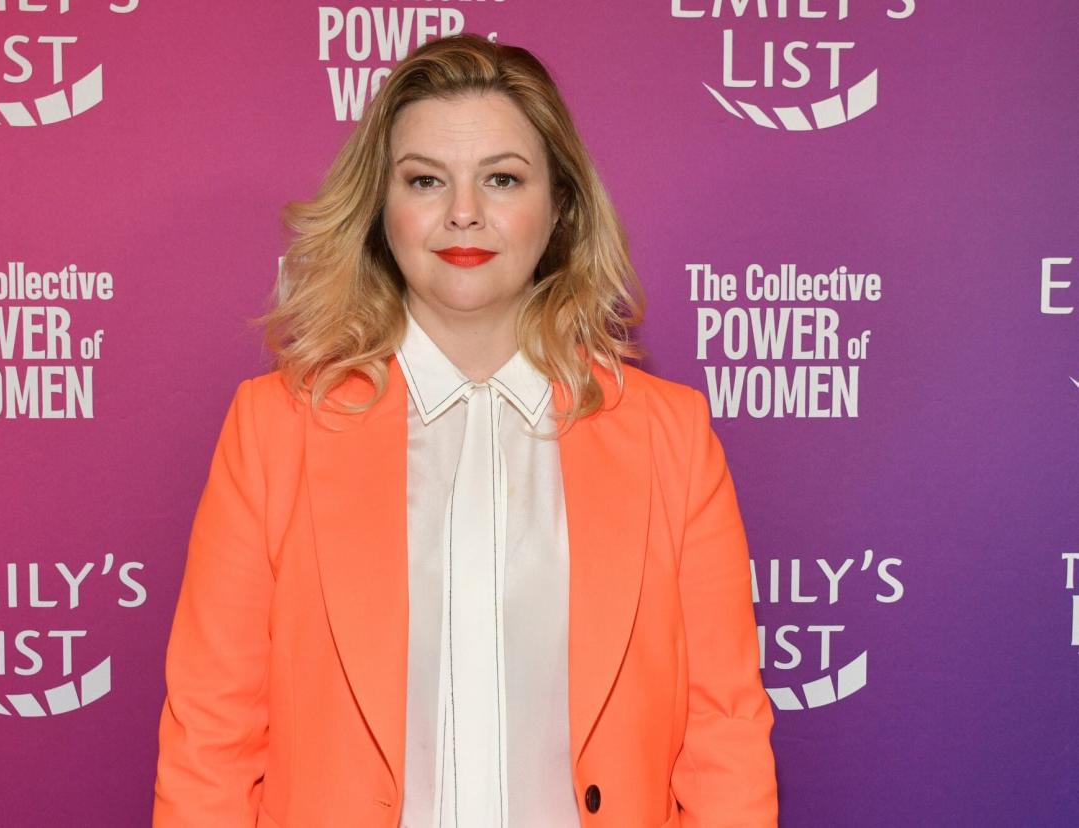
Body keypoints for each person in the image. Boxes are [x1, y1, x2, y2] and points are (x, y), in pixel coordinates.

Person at [153, 32, 777, 828]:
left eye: (503, 179)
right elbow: (211, 737)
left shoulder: (671, 438)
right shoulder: (275, 431)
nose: (464, 215)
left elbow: (723, 735)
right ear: (383, 211)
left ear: (560, 208)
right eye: (425, 180)